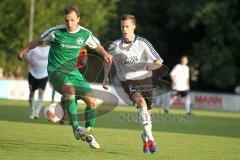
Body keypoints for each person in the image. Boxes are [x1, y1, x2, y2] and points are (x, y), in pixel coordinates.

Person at [17, 5, 112, 149]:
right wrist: (22, 52)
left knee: (92, 102)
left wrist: (105, 54)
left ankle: (88, 133)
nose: (69, 23)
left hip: (74, 73)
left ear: (78, 19)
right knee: (69, 90)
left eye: (73, 20)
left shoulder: (85, 34)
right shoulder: (56, 32)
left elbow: (96, 45)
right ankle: (76, 128)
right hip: (56, 73)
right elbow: (37, 41)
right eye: (67, 20)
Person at [103, 14, 163, 154]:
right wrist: (105, 77)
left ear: (134, 27)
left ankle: (145, 135)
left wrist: (151, 66)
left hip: (146, 80)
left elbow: (159, 62)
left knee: (147, 113)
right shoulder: (115, 46)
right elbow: (107, 60)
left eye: (127, 26)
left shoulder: (143, 43)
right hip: (128, 81)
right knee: (141, 103)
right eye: (122, 26)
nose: (124, 29)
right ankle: (152, 139)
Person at [23, 41, 50, 119]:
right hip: (33, 74)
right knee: (31, 93)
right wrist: (31, 62)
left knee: (41, 93)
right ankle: (32, 110)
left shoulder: (49, 49)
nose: (44, 40)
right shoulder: (33, 49)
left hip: (44, 74)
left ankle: (37, 112)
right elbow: (25, 56)